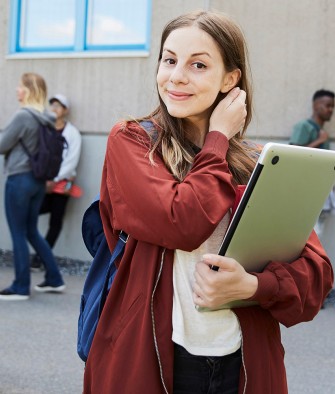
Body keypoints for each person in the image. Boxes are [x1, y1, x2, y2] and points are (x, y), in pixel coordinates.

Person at [83, 11, 333, 394]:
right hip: (151, 359)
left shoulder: (255, 164)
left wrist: (252, 286)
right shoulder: (132, 142)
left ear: (230, 79)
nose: (177, 75)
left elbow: (315, 278)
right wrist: (218, 137)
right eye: (169, 60)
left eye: (198, 64)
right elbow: (180, 223)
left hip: (243, 364)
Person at [0, 72, 66, 300]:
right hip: (38, 181)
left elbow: (2, 145)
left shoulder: (23, 116)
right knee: (30, 231)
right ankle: (55, 279)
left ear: (29, 90)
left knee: (18, 232)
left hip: (19, 179)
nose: (17, 90)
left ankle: (20, 287)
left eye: (20, 86)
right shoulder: (45, 118)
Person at [31, 94, 82, 271]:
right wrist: (44, 178)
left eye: (58, 106)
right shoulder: (44, 130)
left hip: (63, 182)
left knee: (56, 221)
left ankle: (40, 259)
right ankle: (40, 255)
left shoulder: (72, 133)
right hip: (43, 182)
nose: (54, 108)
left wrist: (55, 179)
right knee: (32, 212)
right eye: (52, 105)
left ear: (65, 110)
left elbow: (71, 161)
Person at [290, 90, 335, 232]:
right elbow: (292, 155)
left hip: (321, 189)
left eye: (332, 106)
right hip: (304, 190)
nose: (331, 110)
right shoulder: (304, 126)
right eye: (327, 105)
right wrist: (319, 141)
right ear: (316, 106)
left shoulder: (322, 131)